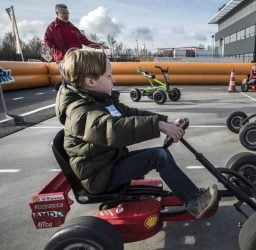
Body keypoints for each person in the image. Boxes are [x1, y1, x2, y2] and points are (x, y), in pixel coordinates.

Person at [55, 49, 218, 219]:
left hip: (108, 163)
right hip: (100, 178)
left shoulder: (96, 100)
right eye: (109, 76)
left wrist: (165, 120)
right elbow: (113, 130)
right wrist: (158, 126)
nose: (114, 80)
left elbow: (130, 113)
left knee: (159, 154)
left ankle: (192, 196)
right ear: (90, 81)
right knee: (158, 155)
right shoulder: (79, 111)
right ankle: (194, 201)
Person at [44, 4, 109, 89]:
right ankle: (65, 93)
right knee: (68, 80)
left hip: (77, 58)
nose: (66, 15)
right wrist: (47, 48)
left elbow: (85, 41)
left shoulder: (73, 28)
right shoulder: (52, 27)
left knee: (79, 80)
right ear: (57, 14)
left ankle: (76, 95)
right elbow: (47, 41)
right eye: (63, 13)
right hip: (63, 59)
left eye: (67, 13)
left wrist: (99, 46)